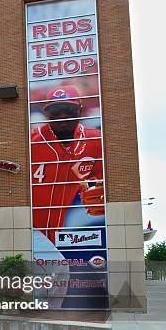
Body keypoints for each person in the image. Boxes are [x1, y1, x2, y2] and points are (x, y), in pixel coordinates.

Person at [31, 85, 105, 306]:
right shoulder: (30, 142)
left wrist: (98, 192)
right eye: (56, 111)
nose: (63, 116)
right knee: (57, 271)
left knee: (51, 276)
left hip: (60, 230)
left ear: (80, 111)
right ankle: (40, 312)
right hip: (31, 226)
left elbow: (102, 180)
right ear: (46, 114)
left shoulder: (94, 139)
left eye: (68, 110)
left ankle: (43, 312)